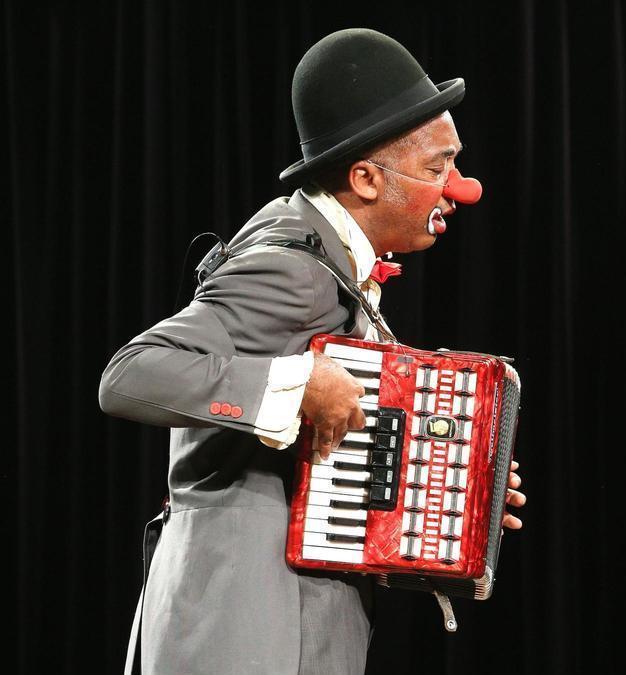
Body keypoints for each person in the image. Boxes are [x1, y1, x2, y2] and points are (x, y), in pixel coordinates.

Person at [98, 29, 525, 674]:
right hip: (244, 631)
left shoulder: (332, 260)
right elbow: (130, 376)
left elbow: (324, 457)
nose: (460, 188)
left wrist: (455, 484)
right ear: (366, 178)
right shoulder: (291, 264)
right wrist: (299, 388)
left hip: (295, 624)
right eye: (437, 168)